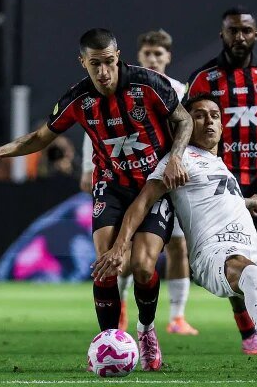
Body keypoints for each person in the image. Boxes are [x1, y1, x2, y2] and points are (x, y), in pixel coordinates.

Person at [0, 28, 193, 372]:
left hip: (153, 184)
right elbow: (40, 137)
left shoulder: (148, 84)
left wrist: (176, 157)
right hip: (111, 186)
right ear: (83, 62)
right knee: (107, 265)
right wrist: (0, 151)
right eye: (94, 64)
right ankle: (108, 343)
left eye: (108, 62)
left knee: (143, 266)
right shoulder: (78, 99)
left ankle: (146, 330)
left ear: (117, 57)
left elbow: (184, 120)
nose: (103, 72)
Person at [92, 94, 257, 374]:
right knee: (251, 274)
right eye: (199, 115)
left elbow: (210, 198)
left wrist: (244, 202)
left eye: (215, 116)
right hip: (212, 255)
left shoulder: (219, 163)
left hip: (255, 250)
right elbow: (143, 202)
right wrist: (120, 245)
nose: (209, 121)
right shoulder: (177, 160)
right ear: (184, 124)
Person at [183, 6, 257, 354]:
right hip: (224, 183)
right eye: (233, 31)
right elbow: (185, 124)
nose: (239, 37)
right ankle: (250, 331)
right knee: (234, 258)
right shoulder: (203, 79)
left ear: (256, 34)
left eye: (246, 31)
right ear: (222, 34)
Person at [80, 29, 197, 336]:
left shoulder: (177, 89)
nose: (153, 59)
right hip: (122, 176)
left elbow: (187, 127)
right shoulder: (119, 85)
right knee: (124, 248)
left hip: (164, 180)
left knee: (177, 246)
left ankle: (177, 316)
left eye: (159, 54)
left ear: (168, 57)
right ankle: (120, 309)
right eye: (148, 54)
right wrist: (86, 168)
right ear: (138, 56)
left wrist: (182, 162)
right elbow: (96, 128)